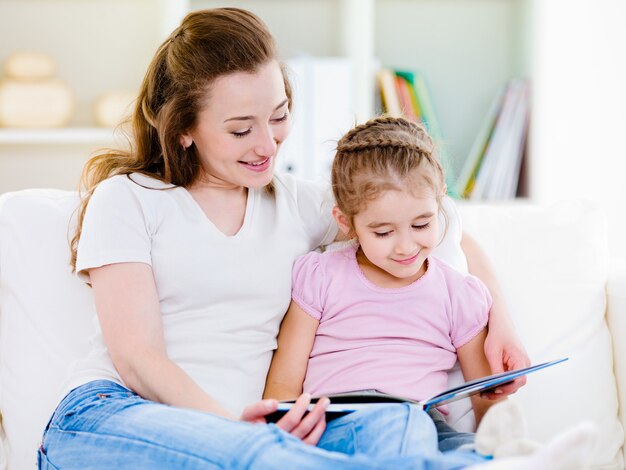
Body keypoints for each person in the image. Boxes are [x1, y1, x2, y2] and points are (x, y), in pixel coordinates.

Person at [38, 7, 530, 469]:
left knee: (399, 425)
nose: (267, 143)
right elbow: (137, 359)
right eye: (240, 130)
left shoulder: (301, 204)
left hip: (266, 435)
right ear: (184, 128)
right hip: (113, 416)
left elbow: (441, 228)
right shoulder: (127, 199)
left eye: (278, 115)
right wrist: (241, 432)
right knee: (260, 459)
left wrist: (501, 322)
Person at [264, 116, 501, 454]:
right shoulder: (321, 275)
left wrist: (495, 446)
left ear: (439, 204)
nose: (405, 247)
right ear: (347, 223)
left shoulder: (458, 293)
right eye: (383, 232)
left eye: (421, 224)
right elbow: (284, 380)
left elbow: (484, 394)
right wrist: (283, 443)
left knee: (469, 451)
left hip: (427, 424)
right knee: (402, 432)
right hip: (339, 421)